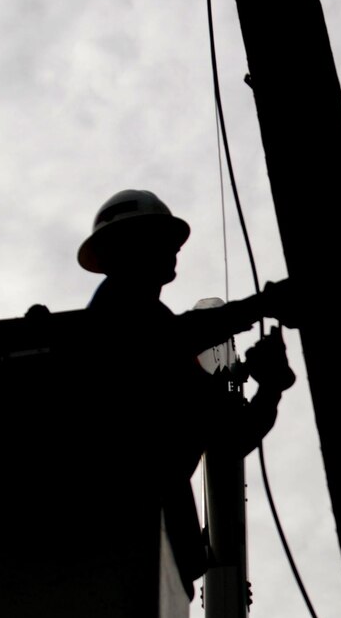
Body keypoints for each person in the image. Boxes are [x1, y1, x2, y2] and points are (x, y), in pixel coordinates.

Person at [76, 189, 299, 590]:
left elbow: (232, 437)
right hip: (105, 524)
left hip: (156, 545)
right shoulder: (110, 320)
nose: (170, 251)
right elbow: (165, 338)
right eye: (156, 240)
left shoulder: (172, 357)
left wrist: (270, 386)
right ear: (115, 255)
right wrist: (261, 305)